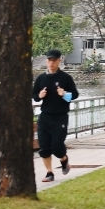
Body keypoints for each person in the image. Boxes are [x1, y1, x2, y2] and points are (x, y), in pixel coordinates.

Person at [33, 49, 78, 182]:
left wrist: (64, 94)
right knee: (44, 147)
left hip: (60, 117)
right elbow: (34, 95)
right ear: (47, 61)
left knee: (58, 147)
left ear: (59, 61)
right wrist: (39, 96)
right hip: (45, 116)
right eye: (49, 60)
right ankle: (49, 173)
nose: (51, 63)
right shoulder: (41, 78)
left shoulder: (65, 78)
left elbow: (75, 94)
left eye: (54, 60)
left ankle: (64, 159)